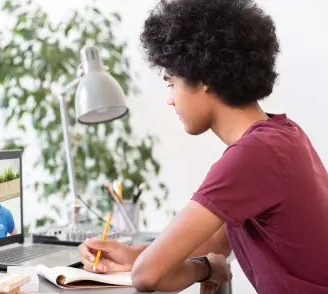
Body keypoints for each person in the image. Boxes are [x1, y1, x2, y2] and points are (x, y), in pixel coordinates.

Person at [79, 0, 328, 293]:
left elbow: (147, 276)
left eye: (171, 82)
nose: (170, 99)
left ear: (204, 78)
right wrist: (131, 254)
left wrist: (207, 268)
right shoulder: (284, 135)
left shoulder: (253, 154)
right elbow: (217, 240)